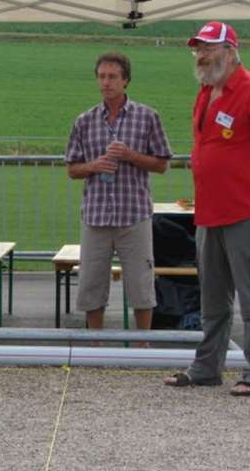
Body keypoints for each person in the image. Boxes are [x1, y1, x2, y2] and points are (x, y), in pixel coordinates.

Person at [164, 22, 250, 396]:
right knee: (213, 298)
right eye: (197, 50)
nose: (201, 56)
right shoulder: (205, 92)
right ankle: (207, 367)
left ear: (231, 51)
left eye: (208, 48)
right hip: (210, 212)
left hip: (246, 210)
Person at [65, 52, 172, 332]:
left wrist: (130, 155)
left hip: (133, 215)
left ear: (126, 81)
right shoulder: (84, 121)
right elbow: (72, 169)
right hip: (96, 216)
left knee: (140, 284)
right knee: (91, 284)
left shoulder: (148, 117)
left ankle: (143, 345)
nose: (106, 82)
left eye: (112, 77)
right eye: (101, 76)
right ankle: (95, 345)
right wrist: (93, 166)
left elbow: (161, 164)